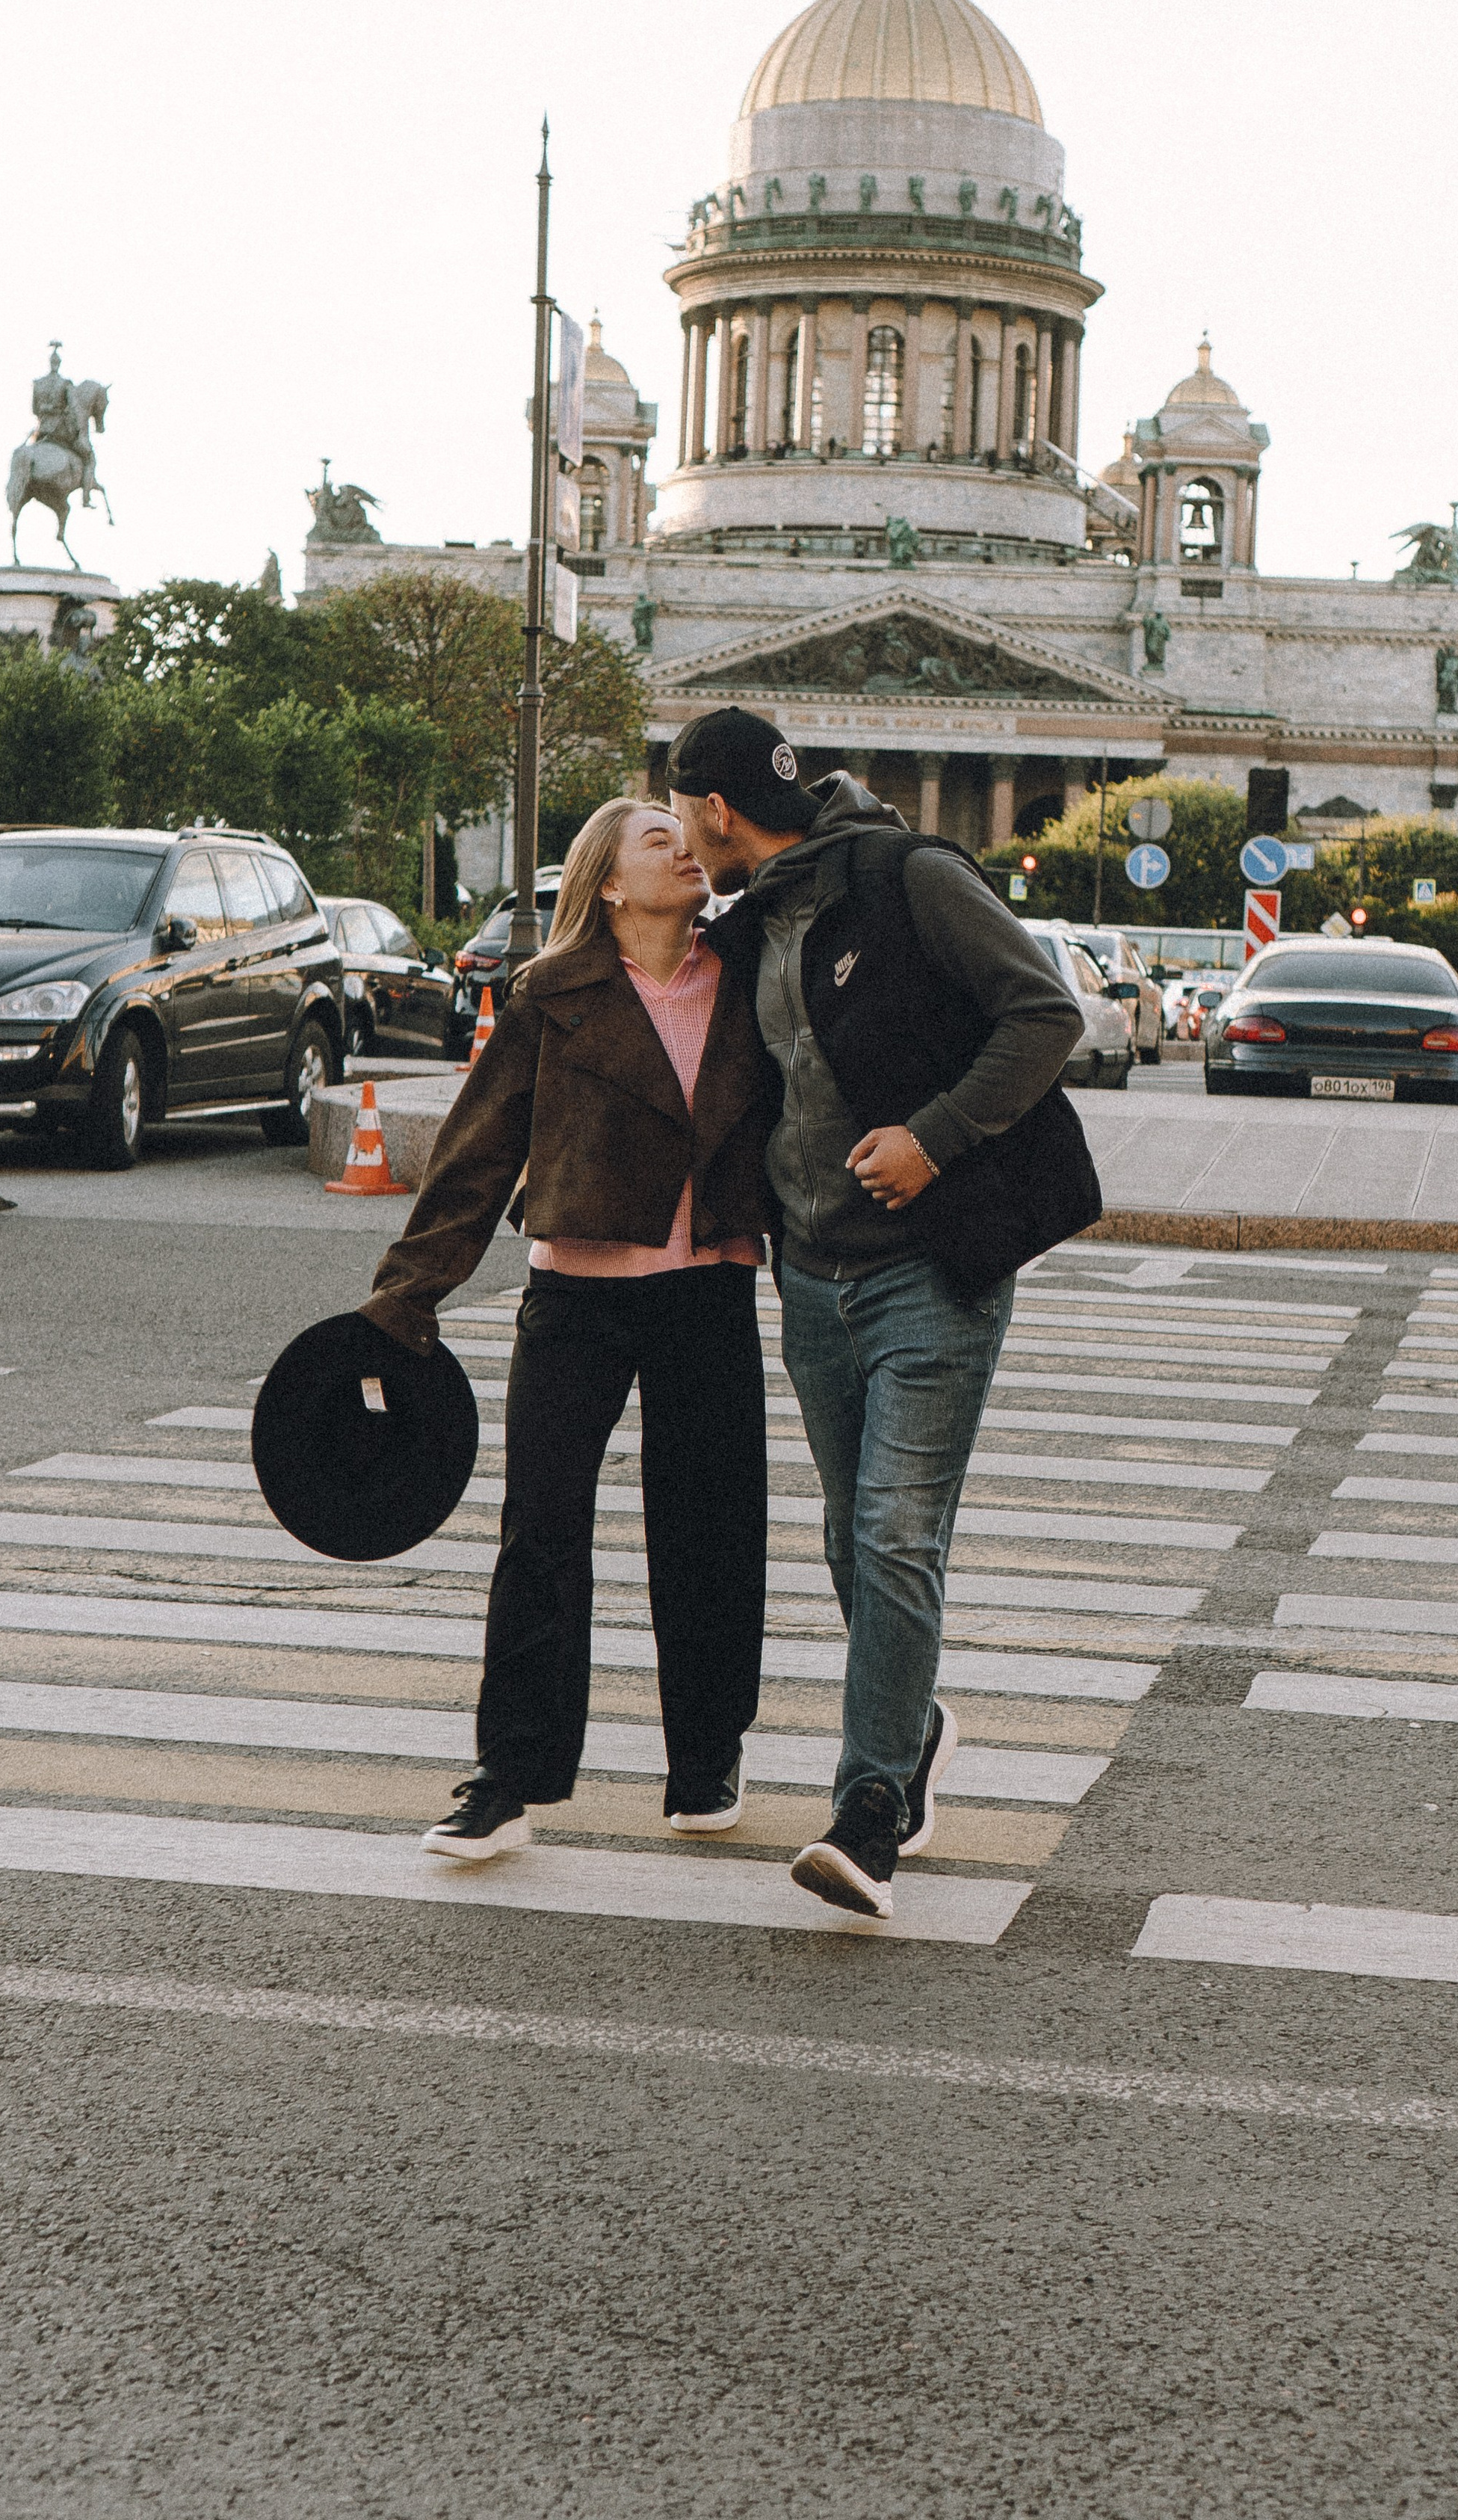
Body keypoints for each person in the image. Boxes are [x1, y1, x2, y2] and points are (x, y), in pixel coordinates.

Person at [671, 709, 1097, 1920]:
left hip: (929, 1266)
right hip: (813, 1278)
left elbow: (1046, 1016)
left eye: (682, 818)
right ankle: (915, 1721)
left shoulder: (911, 878)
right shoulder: (753, 919)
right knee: (853, 1540)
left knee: (899, 1532)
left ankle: (872, 1811)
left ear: (715, 810)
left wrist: (935, 1139)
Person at [359, 798, 775, 1861]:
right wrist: (404, 1299)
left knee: (711, 1532)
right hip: (577, 1299)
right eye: (655, 841)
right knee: (540, 1534)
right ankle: (510, 1776)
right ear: (606, 884)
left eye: (687, 838)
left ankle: (706, 1755)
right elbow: (477, 1153)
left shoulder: (750, 978)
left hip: (709, 1288)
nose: (683, 849)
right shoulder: (552, 992)